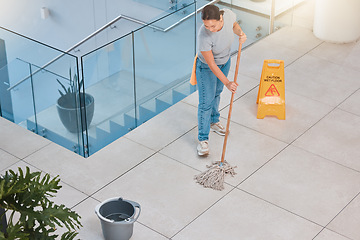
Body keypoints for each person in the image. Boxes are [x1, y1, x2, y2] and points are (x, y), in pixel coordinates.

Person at [196, 5, 247, 156]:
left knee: (217, 93)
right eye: (206, 25)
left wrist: (241, 34)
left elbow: (234, 26)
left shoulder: (229, 15)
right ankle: (203, 140)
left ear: (221, 18)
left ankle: (213, 121)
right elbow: (211, 64)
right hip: (206, 68)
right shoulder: (203, 35)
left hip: (225, 62)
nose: (210, 29)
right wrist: (227, 82)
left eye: (213, 25)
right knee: (206, 102)